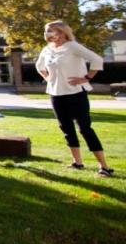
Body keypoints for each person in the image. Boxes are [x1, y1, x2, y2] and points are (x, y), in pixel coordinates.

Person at [36, 21, 113, 177]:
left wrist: (86, 78)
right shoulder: (47, 49)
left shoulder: (72, 46)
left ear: (62, 32)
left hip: (76, 94)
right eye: (46, 31)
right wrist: (48, 77)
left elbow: (97, 59)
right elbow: (39, 65)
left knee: (85, 129)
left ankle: (104, 166)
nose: (48, 34)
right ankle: (77, 162)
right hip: (56, 95)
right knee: (66, 129)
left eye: (51, 31)